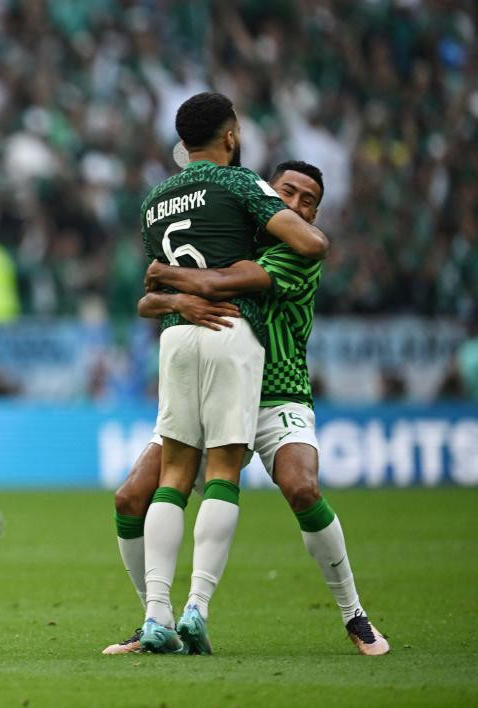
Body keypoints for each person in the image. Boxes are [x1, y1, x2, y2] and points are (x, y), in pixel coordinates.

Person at [103, 161, 387, 656]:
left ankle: (354, 614)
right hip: (212, 386)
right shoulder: (237, 236)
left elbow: (216, 285)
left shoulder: (299, 253)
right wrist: (177, 302)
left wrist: (171, 279)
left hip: (275, 391)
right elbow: (146, 304)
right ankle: (157, 618)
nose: (297, 206)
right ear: (268, 196)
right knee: (130, 497)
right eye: (288, 194)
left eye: (309, 201)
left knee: (302, 487)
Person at [137, 92, 329, 654]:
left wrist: (179, 294)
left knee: (173, 476)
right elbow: (310, 242)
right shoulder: (240, 183)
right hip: (231, 331)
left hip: (174, 337)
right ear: (231, 135)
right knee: (222, 472)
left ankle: (155, 616)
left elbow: (153, 291)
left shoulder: (154, 200)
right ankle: (196, 607)